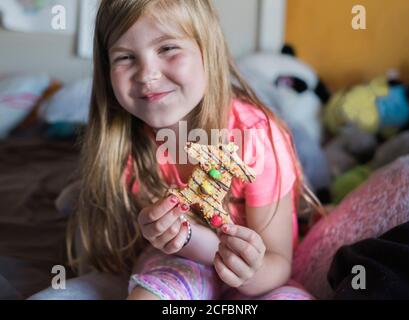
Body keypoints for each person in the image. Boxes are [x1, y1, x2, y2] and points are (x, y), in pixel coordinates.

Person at [67, 0, 318, 300]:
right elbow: (136, 247)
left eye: (167, 48)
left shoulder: (256, 138)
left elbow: (277, 265)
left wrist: (248, 271)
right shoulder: (125, 148)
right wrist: (164, 232)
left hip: (261, 277)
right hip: (178, 263)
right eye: (125, 57)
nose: (147, 74)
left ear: (206, 51)